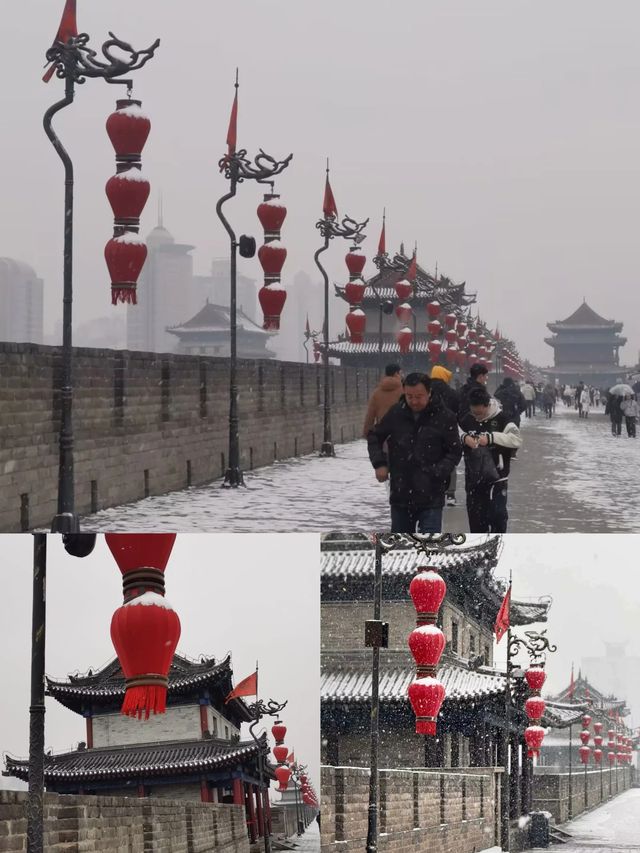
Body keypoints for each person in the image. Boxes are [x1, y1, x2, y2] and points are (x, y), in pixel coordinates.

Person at [367, 372, 462, 533]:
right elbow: (375, 436)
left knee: (429, 548)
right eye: (409, 396)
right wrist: (379, 464)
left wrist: (438, 471)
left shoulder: (445, 417)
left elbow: (454, 451)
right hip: (401, 493)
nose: (414, 401)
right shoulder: (397, 413)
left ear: (429, 392)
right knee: (401, 548)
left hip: (431, 494)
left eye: (419, 396)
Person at [458, 387, 522, 533]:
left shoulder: (502, 419)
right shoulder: (467, 419)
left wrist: (491, 438)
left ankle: (497, 550)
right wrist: (464, 438)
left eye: (479, 413)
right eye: (474, 412)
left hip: (497, 480)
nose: (477, 417)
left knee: (498, 518)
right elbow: (453, 431)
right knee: (476, 522)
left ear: (487, 405)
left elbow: (517, 439)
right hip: (473, 480)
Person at [430, 365, 460, 507]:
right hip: (448, 431)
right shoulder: (451, 393)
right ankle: (450, 493)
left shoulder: (425, 390)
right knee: (449, 460)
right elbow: (457, 410)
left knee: (430, 459)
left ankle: (432, 489)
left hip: (428, 430)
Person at [362, 364, 403, 437]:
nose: (402, 375)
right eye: (401, 373)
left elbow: (370, 415)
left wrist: (367, 432)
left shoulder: (377, 392)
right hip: (402, 432)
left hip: (383, 433)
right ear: (396, 374)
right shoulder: (405, 390)